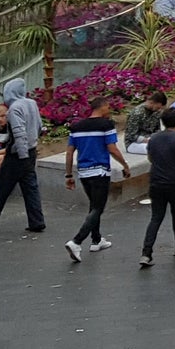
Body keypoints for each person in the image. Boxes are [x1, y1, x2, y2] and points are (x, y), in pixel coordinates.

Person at [63, 95, 129, 262]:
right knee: (98, 207)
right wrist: (125, 165)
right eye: (108, 107)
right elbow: (112, 148)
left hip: (84, 172)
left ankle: (97, 240)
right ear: (103, 106)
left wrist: (69, 174)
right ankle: (76, 241)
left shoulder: (76, 127)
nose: (110, 110)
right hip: (99, 171)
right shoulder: (106, 125)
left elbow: (70, 152)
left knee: (93, 206)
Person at [0, 75, 45, 233]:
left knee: (2, 188)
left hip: (18, 154)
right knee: (30, 188)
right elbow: (40, 126)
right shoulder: (32, 103)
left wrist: (22, 155)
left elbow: (19, 133)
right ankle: (37, 221)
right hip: (31, 150)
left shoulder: (14, 109)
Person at [138, 106, 175, 266]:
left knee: (156, 217)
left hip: (156, 182)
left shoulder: (154, 139)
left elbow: (150, 158)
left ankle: (146, 253)